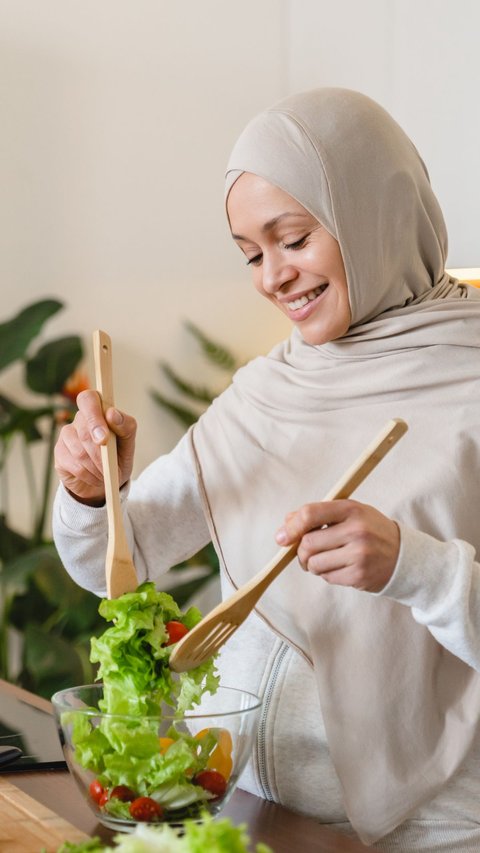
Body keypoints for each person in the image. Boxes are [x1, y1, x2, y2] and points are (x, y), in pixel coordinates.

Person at [53, 88, 480, 851]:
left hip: (431, 832)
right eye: (250, 252)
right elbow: (114, 564)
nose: (271, 276)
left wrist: (412, 566)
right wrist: (95, 493)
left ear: (371, 214)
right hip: (248, 814)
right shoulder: (267, 390)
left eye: (292, 239)